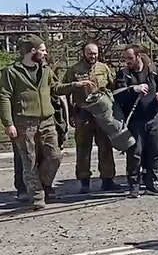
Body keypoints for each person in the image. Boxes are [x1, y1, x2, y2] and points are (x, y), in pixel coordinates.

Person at [0, 34, 92, 209]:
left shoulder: (46, 70)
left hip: (47, 121)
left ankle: (43, 184)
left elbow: (55, 88)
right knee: (29, 160)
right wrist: (8, 123)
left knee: (54, 156)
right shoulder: (11, 72)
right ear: (32, 51)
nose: (45, 53)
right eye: (42, 50)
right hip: (24, 122)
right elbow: (4, 97)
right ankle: (37, 197)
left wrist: (74, 85)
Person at [114, 44, 158, 198]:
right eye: (125, 58)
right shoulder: (123, 74)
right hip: (135, 120)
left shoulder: (153, 72)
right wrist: (133, 89)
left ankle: (152, 184)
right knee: (135, 153)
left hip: (155, 117)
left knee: (155, 152)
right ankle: (134, 186)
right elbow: (117, 95)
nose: (127, 61)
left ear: (138, 56)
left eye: (130, 58)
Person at [62, 40, 119, 193]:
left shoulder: (104, 68)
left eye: (95, 53)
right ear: (84, 53)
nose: (92, 56)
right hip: (83, 114)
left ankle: (107, 179)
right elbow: (66, 91)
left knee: (105, 147)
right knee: (83, 149)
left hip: (102, 114)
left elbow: (112, 88)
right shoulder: (74, 70)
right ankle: (84, 181)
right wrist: (71, 115)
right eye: (89, 53)